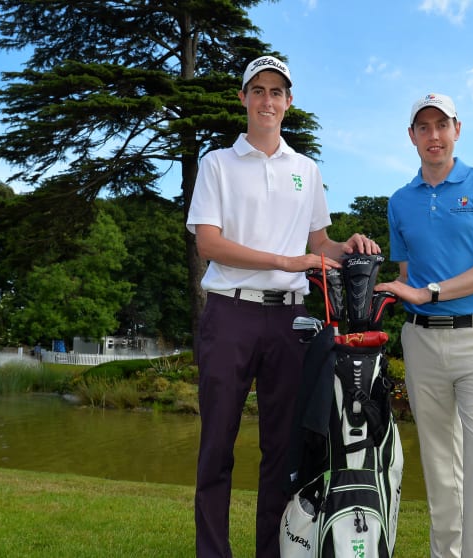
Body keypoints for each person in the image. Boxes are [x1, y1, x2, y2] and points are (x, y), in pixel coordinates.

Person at [185, 54, 380, 558]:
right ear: (243, 99)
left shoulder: (306, 170)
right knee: (217, 449)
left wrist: (347, 245)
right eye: (258, 91)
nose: (267, 100)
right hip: (230, 313)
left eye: (277, 92)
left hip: (291, 320)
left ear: (288, 103)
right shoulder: (217, 164)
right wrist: (286, 260)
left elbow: (319, 241)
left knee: (281, 454)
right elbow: (209, 242)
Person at [374, 93, 473, 558]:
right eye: (423, 127)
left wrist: (428, 292)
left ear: (457, 129)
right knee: (440, 466)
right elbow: (405, 275)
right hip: (421, 341)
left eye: (442, 125)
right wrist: (381, 288)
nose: (433, 135)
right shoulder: (400, 201)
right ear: (411, 136)